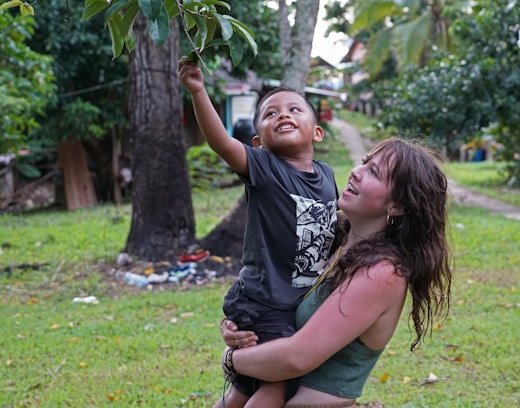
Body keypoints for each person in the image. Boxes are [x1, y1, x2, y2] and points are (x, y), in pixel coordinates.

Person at [220, 137, 453, 407]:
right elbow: (276, 296)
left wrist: (231, 359)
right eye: (365, 163)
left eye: (374, 172)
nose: (356, 171)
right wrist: (241, 328)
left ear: (397, 207)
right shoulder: (335, 242)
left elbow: (298, 356)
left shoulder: (383, 274)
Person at [178, 60, 338, 408]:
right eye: (270, 114)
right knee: (275, 386)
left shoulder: (327, 175)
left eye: (295, 109)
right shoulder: (265, 169)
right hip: (266, 301)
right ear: (258, 142)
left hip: (289, 302)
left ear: (317, 131)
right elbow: (221, 143)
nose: (283, 115)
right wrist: (198, 91)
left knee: (244, 390)